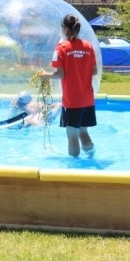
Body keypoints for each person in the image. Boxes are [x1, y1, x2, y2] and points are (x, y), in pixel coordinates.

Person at [39, 14, 98, 158]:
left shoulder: (61, 47)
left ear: (64, 28)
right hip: (87, 99)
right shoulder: (88, 46)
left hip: (72, 100)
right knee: (83, 132)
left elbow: (60, 74)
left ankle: (75, 167)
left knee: (72, 135)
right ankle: (91, 157)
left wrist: (44, 76)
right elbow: (95, 71)